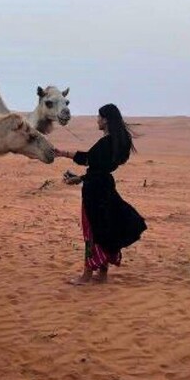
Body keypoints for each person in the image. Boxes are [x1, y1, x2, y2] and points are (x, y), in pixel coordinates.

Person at [54, 104, 147, 284]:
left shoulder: (106, 142)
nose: (97, 120)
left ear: (105, 119)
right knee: (105, 228)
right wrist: (81, 176)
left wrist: (63, 154)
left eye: (99, 117)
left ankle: (86, 275)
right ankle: (102, 273)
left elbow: (89, 159)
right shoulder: (118, 141)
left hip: (94, 191)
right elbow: (98, 165)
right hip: (105, 186)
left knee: (92, 230)